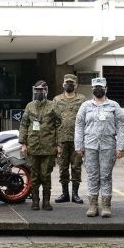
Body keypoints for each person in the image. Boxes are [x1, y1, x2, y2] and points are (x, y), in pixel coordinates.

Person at [74, 77, 124, 218]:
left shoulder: (114, 106)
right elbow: (79, 126)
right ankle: (92, 205)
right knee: (92, 176)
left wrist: (121, 147)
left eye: (101, 87)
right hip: (89, 146)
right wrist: (78, 145)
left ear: (106, 89)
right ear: (92, 89)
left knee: (106, 176)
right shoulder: (85, 106)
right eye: (96, 87)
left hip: (108, 146)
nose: (98, 89)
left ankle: (106, 206)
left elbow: (121, 127)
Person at [18, 80, 62, 211]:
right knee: (35, 176)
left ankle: (46, 201)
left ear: (46, 91)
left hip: (48, 147)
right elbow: (24, 125)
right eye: (36, 90)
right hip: (33, 146)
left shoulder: (53, 106)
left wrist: (59, 144)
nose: (38, 93)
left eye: (41, 90)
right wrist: (23, 143)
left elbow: (59, 125)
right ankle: (35, 201)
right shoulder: (30, 106)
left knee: (45, 175)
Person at [52, 74, 87, 205]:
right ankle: (65, 193)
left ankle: (75, 194)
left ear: (76, 85)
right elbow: (53, 121)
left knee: (77, 167)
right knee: (62, 167)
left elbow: (85, 120)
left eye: (71, 83)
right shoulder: (56, 100)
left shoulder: (82, 99)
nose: (69, 85)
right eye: (67, 82)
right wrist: (55, 142)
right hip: (61, 139)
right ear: (63, 84)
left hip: (77, 139)